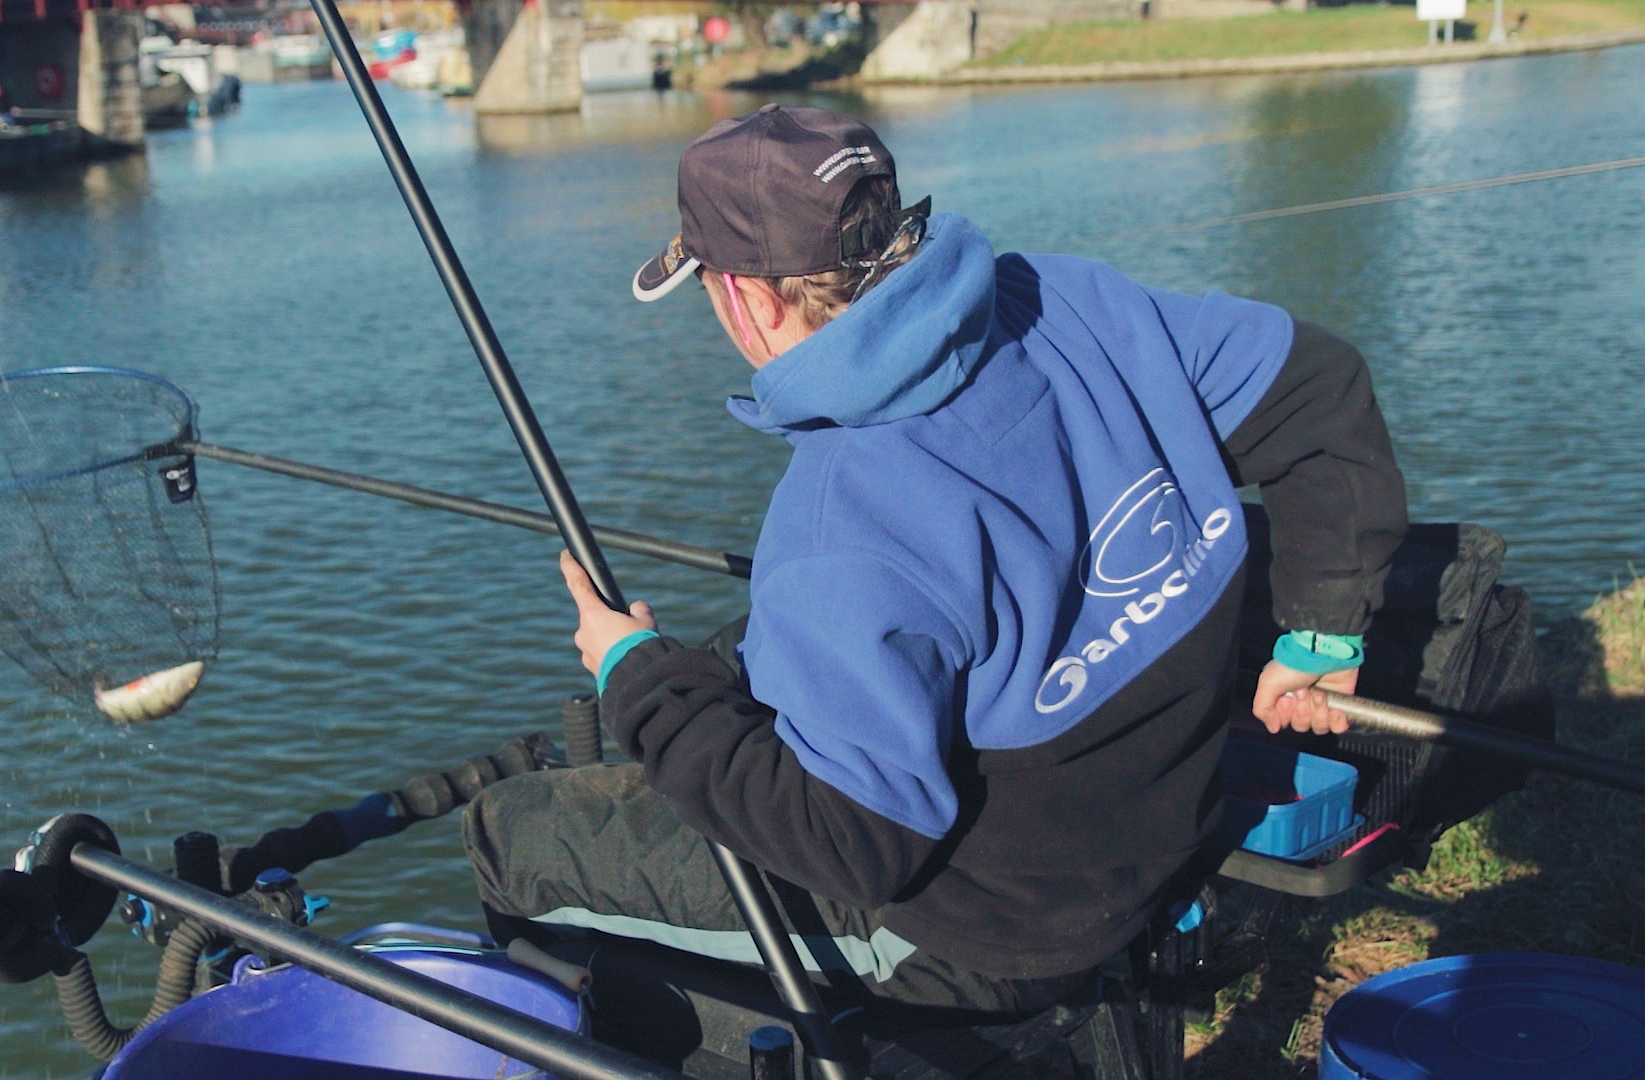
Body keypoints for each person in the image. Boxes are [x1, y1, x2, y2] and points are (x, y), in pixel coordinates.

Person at [463, 104, 1407, 1016]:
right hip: (1168, 823)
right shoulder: (1061, 294)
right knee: (732, 666)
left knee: (518, 842)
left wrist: (637, 684)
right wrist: (1321, 633)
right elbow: (1315, 387)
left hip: (990, 936)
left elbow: (855, 842)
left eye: (707, 287)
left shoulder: (837, 518)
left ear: (745, 299)